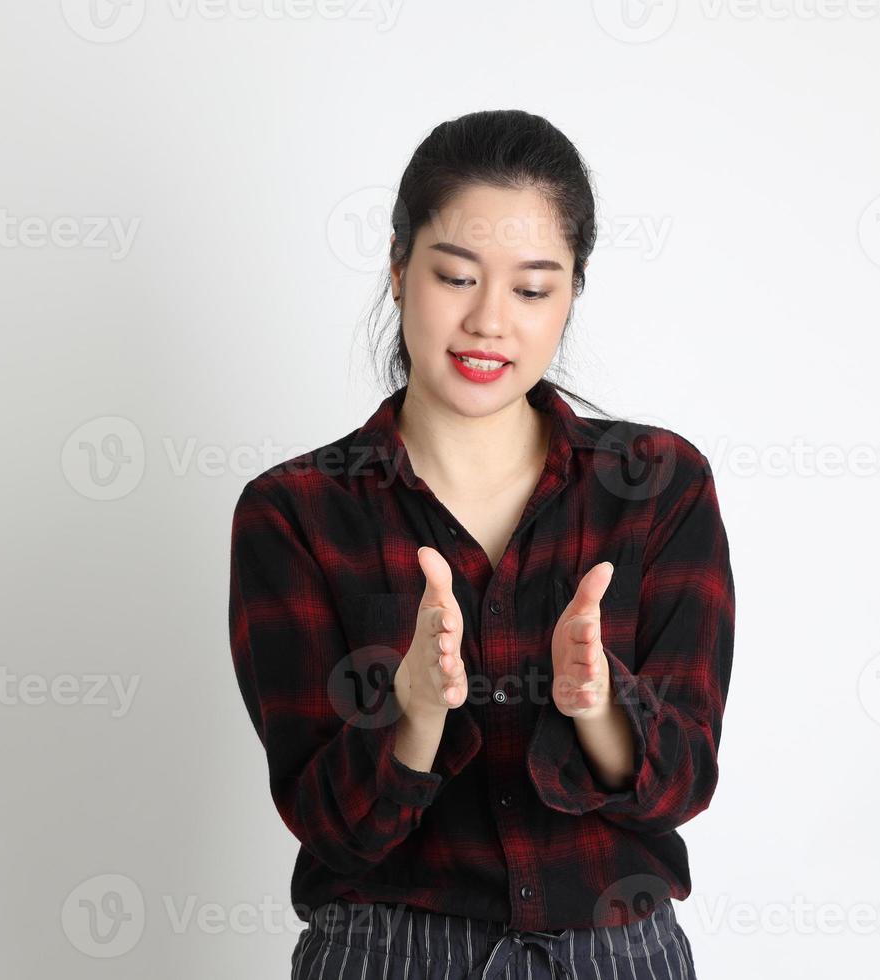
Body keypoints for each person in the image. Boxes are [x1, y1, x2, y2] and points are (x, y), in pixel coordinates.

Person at [228, 109, 735, 979]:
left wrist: (600, 706)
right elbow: (331, 823)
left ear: (573, 291)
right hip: (387, 954)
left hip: (616, 953)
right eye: (457, 277)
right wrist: (416, 704)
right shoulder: (296, 512)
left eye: (533, 289)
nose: (490, 321)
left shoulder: (661, 484)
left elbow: (682, 782)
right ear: (397, 270)